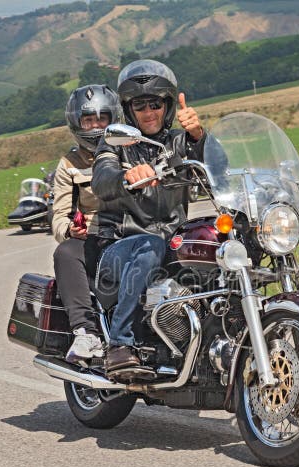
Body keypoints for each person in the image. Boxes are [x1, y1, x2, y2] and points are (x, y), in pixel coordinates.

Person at [91, 59, 206, 373]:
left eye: (155, 103)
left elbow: (211, 164)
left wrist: (197, 134)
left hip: (171, 240)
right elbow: (101, 178)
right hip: (120, 245)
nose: (148, 112)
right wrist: (126, 178)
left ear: (167, 105)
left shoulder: (178, 143)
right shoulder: (114, 143)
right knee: (151, 245)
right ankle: (119, 343)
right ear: (128, 110)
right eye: (139, 105)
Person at [52, 84, 123, 363]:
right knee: (66, 252)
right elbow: (59, 215)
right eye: (88, 120)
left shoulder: (131, 149)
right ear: (76, 123)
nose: (95, 126)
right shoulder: (69, 163)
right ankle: (85, 332)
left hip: (134, 231)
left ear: (113, 118)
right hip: (94, 240)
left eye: (101, 118)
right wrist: (69, 230)